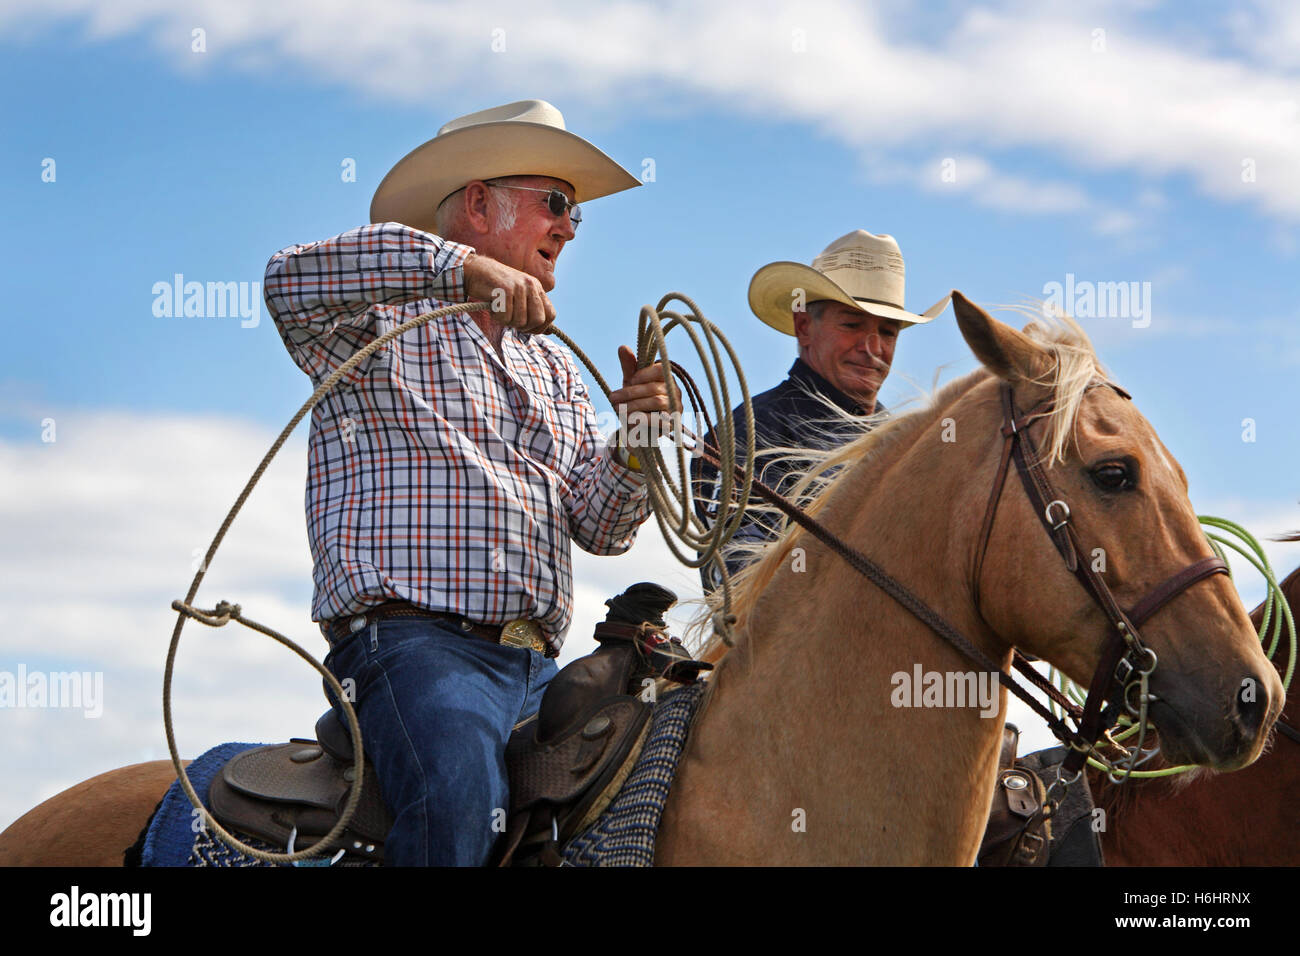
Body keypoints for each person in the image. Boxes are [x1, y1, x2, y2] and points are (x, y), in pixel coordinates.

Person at [263, 100, 673, 866]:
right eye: (555, 205)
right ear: (480, 205)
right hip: (412, 647)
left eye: (576, 217)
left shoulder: (552, 364)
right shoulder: (380, 320)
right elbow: (288, 279)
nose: (568, 229)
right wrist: (456, 269)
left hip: (537, 667)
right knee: (457, 796)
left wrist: (637, 442)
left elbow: (602, 527)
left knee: (652, 783)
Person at [693, 230, 949, 585]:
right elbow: (740, 584)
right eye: (852, 325)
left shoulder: (906, 442)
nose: (873, 347)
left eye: (888, 332)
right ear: (803, 328)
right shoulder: (750, 433)